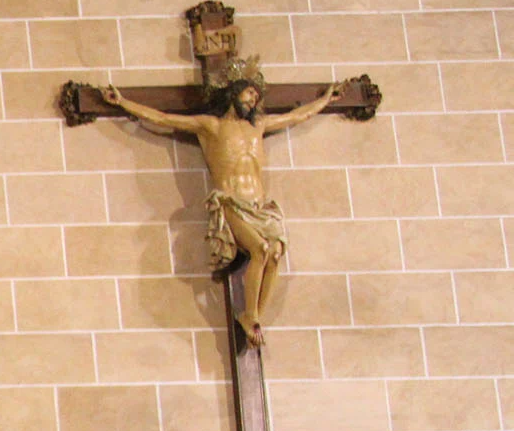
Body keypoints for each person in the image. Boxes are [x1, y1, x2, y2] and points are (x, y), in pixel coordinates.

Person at [101, 67, 349, 343]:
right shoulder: (212, 126)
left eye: (256, 96)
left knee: (275, 254)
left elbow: (296, 115)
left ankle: (254, 316)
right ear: (233, 93)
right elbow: (163, 117)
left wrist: (326, 100)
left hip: (261, 206)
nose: (253, 100)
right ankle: (250, 315)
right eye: (249, 92)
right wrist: (123, 103)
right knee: (261, 249)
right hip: (232, 201)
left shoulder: (259, 126)